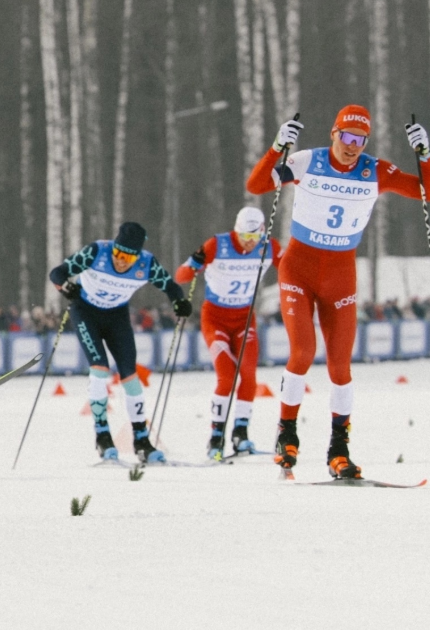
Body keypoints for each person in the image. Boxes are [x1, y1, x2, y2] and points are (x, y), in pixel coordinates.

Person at [247, 106, 430, 478]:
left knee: (341, 366)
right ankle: (287, 433)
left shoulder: (375, 171)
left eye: (359, 140)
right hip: (298, 270)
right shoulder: (306, 161)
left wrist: (425, 156)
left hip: (340, 277)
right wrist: (278, 146)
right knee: (302, 352)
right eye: (346, 137)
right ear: (334, 133)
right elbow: (257, 185)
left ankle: (339, 448)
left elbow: (425, 190)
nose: (352, 146)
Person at [49, 222, 192, 463]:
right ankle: (103, 436)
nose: (122, 260)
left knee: (130, 376)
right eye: (118, 253)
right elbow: (58, 272)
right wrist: (66, 288)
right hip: (85, 312)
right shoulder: (97, 252)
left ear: (137, 257)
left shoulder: (146, 264)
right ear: (113, 248)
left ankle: (142, 440)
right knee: (100, 367)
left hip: (116, 317)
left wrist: (179, 302)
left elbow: (170, 286)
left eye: (128, 257)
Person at [176, 207, 282, 459]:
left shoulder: (269, 247)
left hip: (245, 319)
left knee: (248, 376)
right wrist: (195, 264)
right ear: (236, 231)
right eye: (244, 236)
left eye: (254, 238)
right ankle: (216, 436)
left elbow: (292, 268)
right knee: (226, 376)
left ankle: (240, 433)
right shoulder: (217, 244)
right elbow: (181, 275)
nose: (249, 242)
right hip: (215, 319)